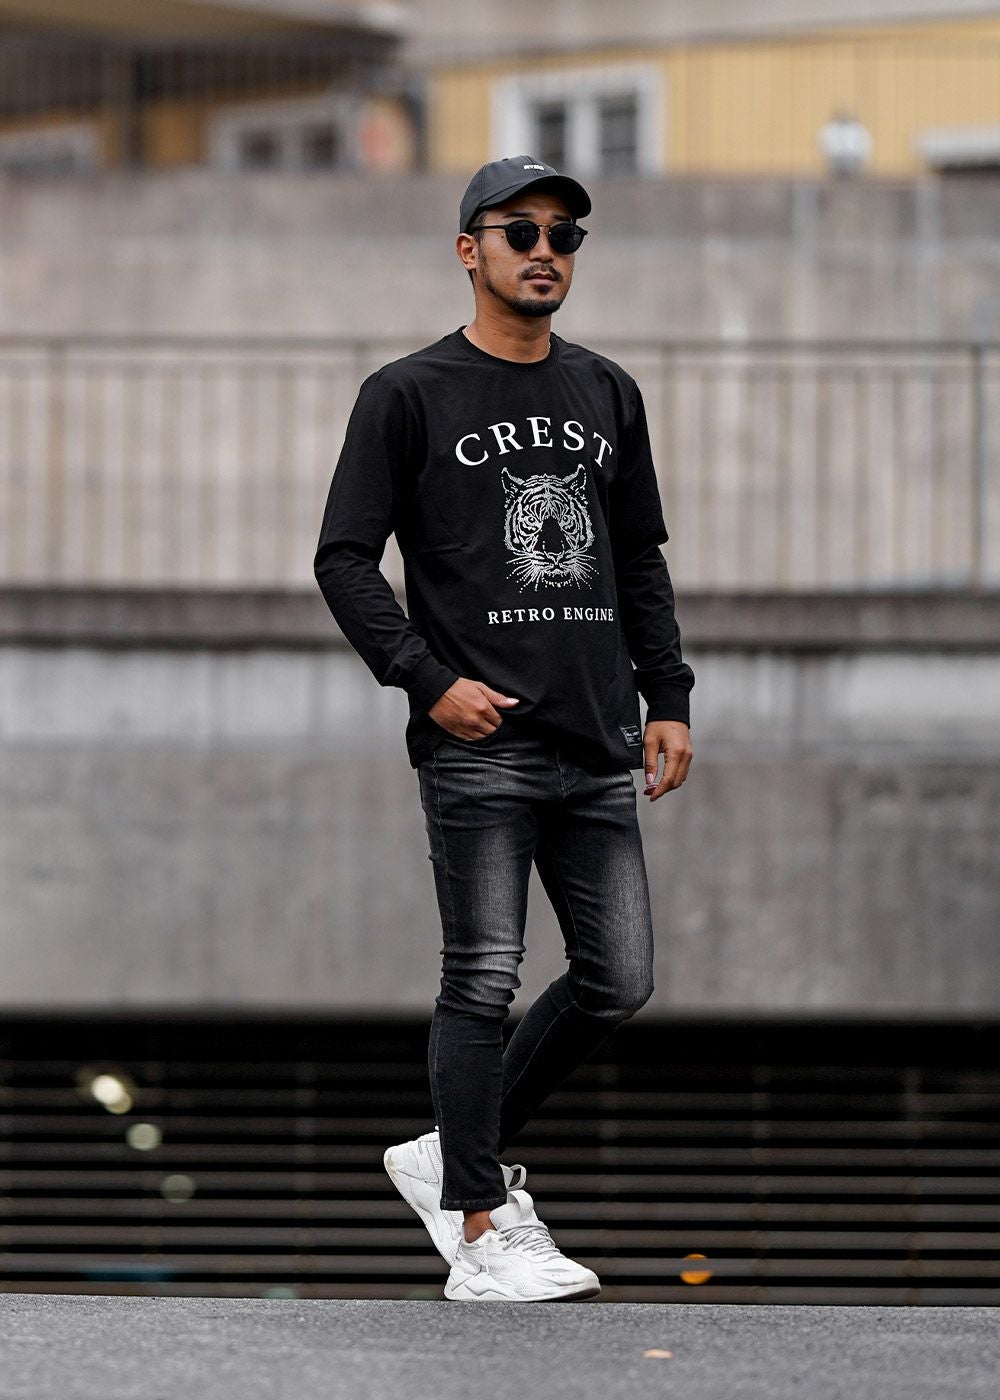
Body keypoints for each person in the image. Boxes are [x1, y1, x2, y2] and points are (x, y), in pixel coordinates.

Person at [313, 155, 694, 1302]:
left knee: (618, 979)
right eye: (518, 229)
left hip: (595, 735)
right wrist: (426, 680)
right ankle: (479, 1227)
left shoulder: (607, 390)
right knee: (481, 976)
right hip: (479, 739)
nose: (543, 250)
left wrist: (668, 694)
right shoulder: (407, 393)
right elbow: (343, 559)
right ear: (467, 249)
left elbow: (636, 557)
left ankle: (450, 1151)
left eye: (563, 234)